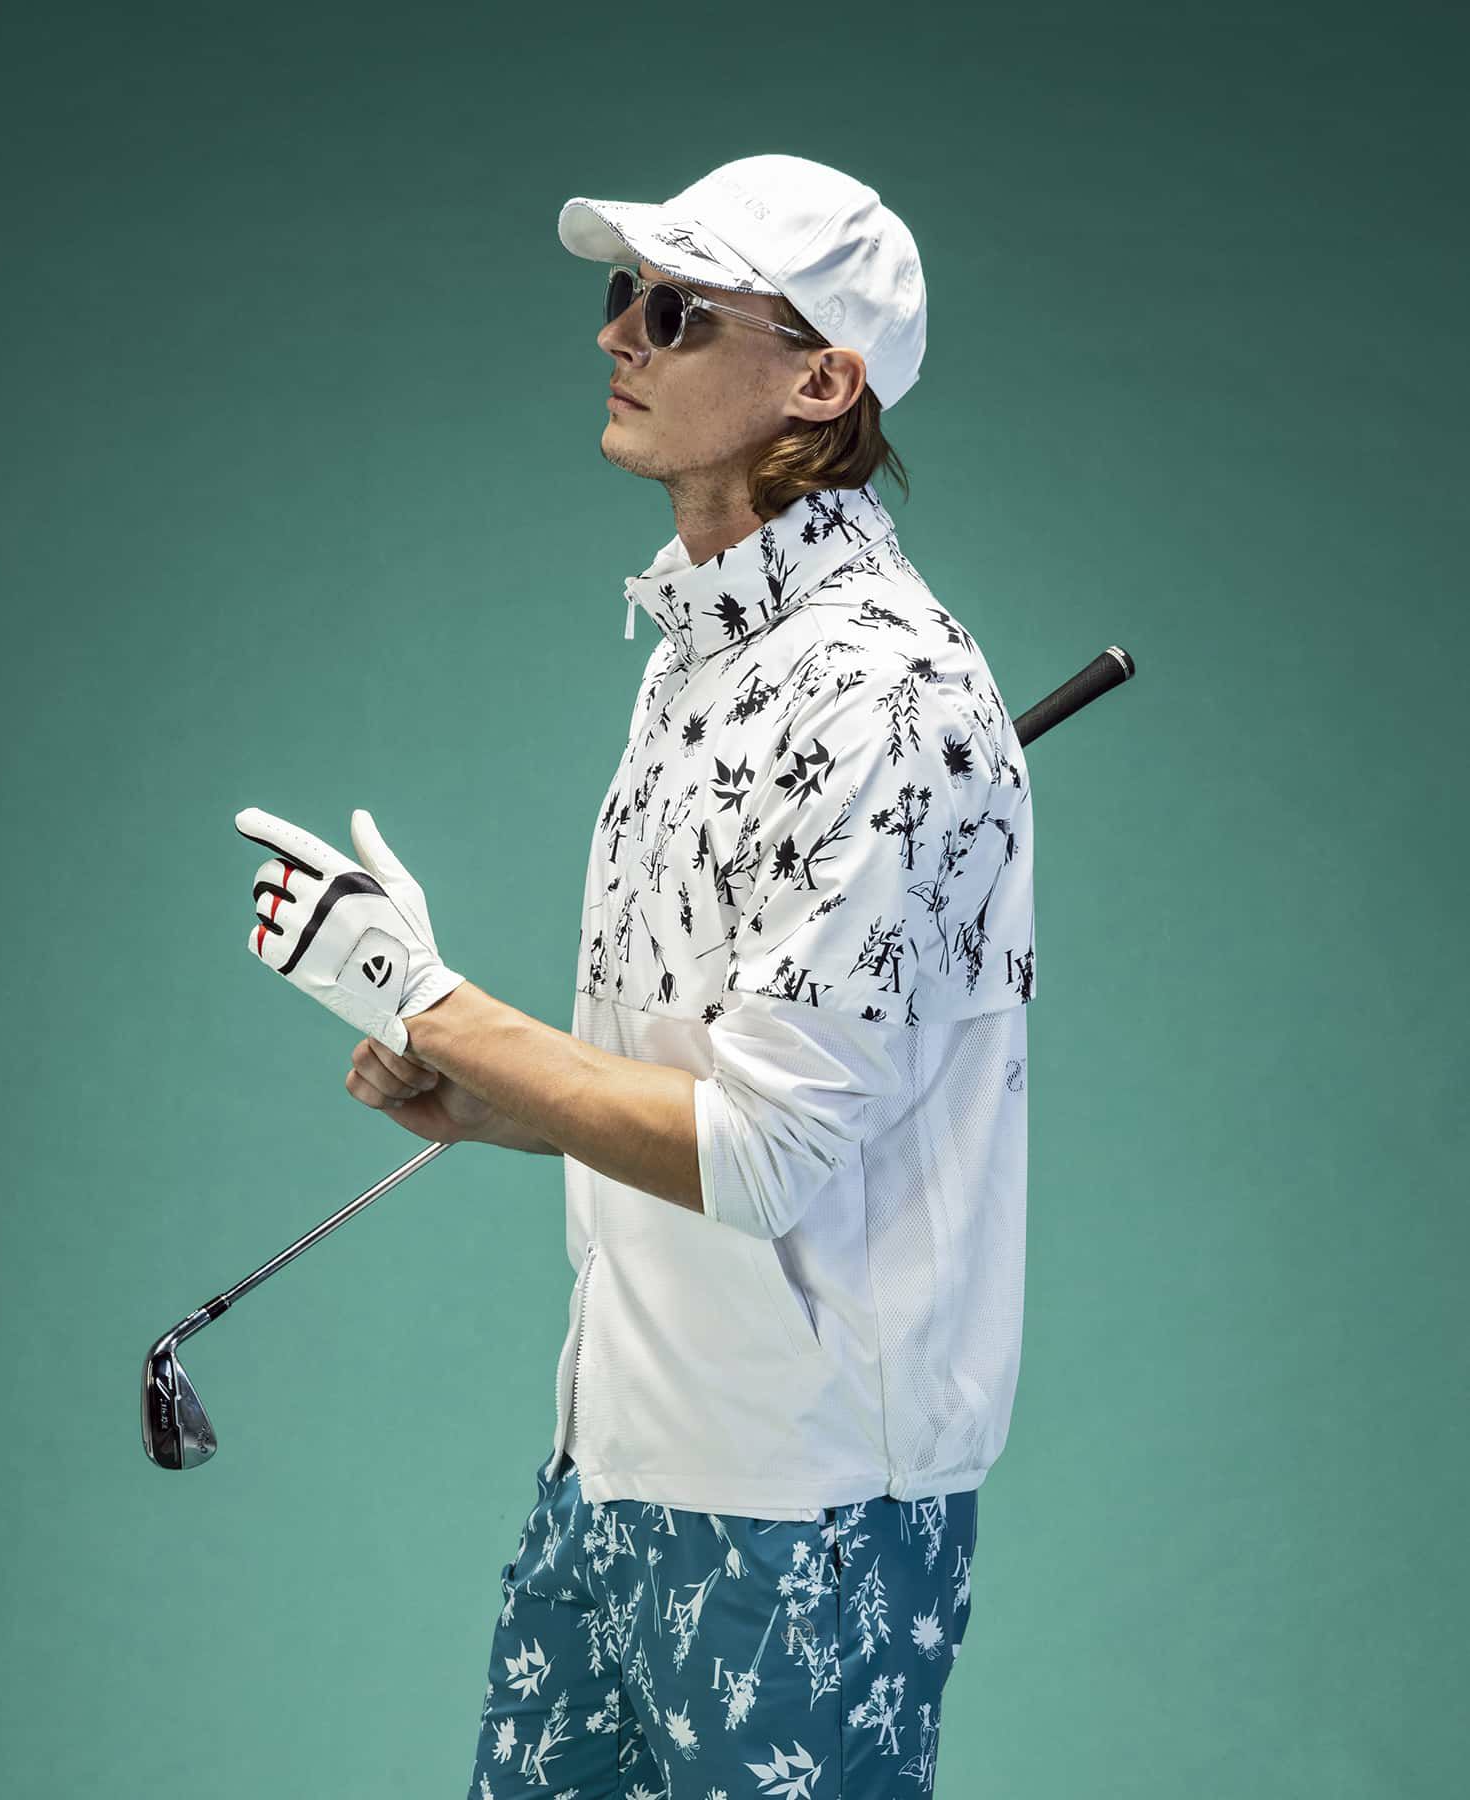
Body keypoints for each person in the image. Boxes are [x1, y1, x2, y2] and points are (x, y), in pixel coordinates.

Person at [350, 153, 1035, 1800]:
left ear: (822, 381)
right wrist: (498, 1097)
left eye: (675, 312)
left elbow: (767, 1151)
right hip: (613, 1459)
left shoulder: (892, 699)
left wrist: (439, 1003)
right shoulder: (698, 662)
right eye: (623, 297)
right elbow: (703, 1087)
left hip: (805, 1510)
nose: (618, 336)